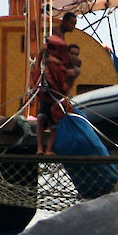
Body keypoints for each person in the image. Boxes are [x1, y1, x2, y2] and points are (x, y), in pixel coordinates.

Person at [34, 12, 77, 155]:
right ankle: (41, 148)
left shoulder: (62, 39)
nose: (73, 27)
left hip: (57, 84)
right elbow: (47, 54)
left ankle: (47, 149)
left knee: (53, 120)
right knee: (43, 117)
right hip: (51, 82)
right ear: (64, 21)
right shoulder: (57, 35)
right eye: (72, 23)